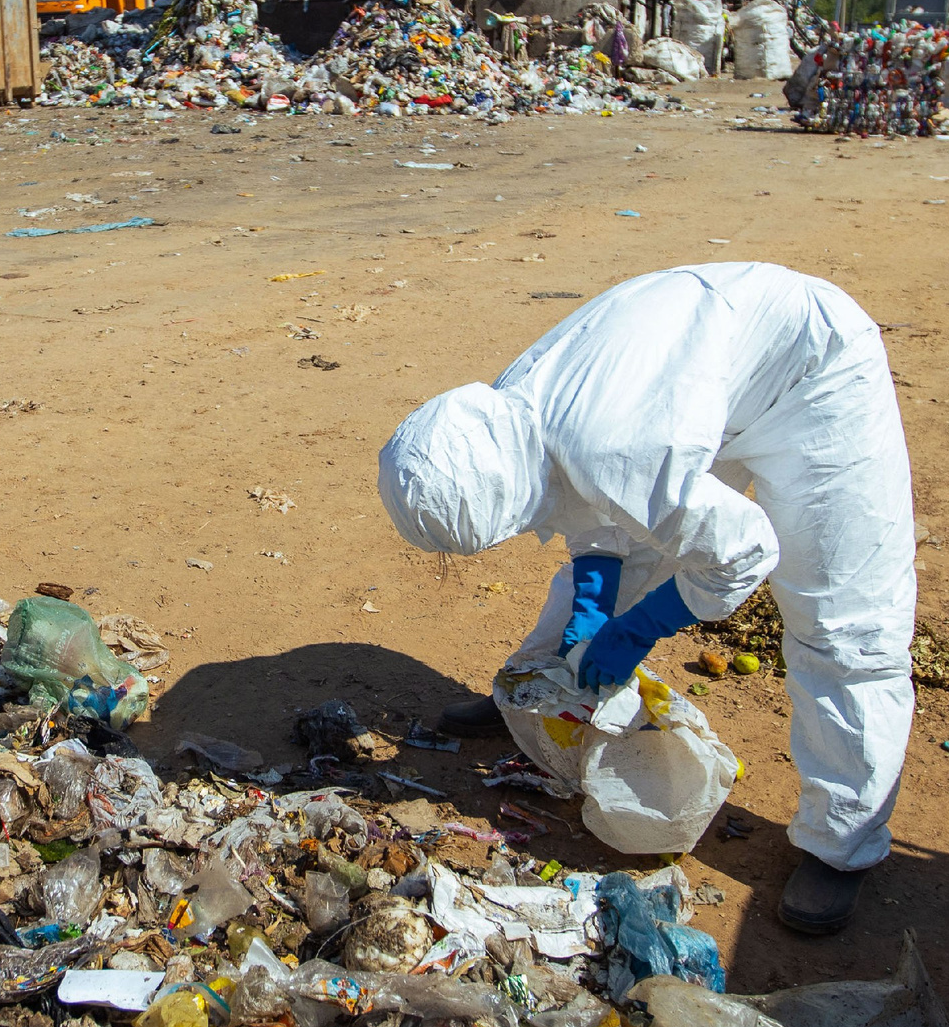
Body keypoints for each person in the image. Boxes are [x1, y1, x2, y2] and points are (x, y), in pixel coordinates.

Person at [376, 263, 917, 934]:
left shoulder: (618, 444)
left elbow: (742, 550)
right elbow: (589, 498)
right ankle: (541, 696)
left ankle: (843, 840)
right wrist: (596, 596)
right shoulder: (509, 411)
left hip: (814, 375)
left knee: (841, 619)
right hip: (701, 387)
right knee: (607, 569)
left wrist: (642, 625)